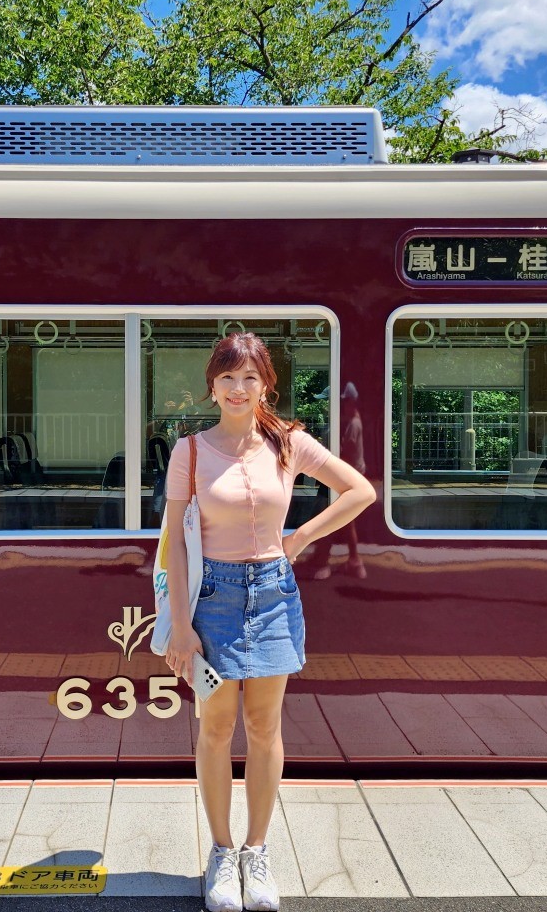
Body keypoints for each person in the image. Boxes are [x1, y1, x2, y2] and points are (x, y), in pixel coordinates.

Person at [163, 333, 376, 912]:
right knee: (215, 727)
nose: (238, 389)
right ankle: (221, 853)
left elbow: (360, 490)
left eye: (250, 378)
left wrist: (300, 538)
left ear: (266, 385)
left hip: (273, 593)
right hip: (213, 597)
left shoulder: (289, 444)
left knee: (264, 728)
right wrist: (181, 628)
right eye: (228, 378)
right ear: (212, 386)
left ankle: (256, 852)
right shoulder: (190, 451)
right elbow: (174, 546)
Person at [297, 381, 367, 579]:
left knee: (327, 517)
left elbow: (346, 454)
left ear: (345, 402)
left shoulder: (352, 424)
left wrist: (322, 463)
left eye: (330, 401)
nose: (327, 405)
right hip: (335, 478)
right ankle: (348, 561)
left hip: (338, 479)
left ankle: (324, 563)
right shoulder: (344, 421)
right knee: (339, 519)